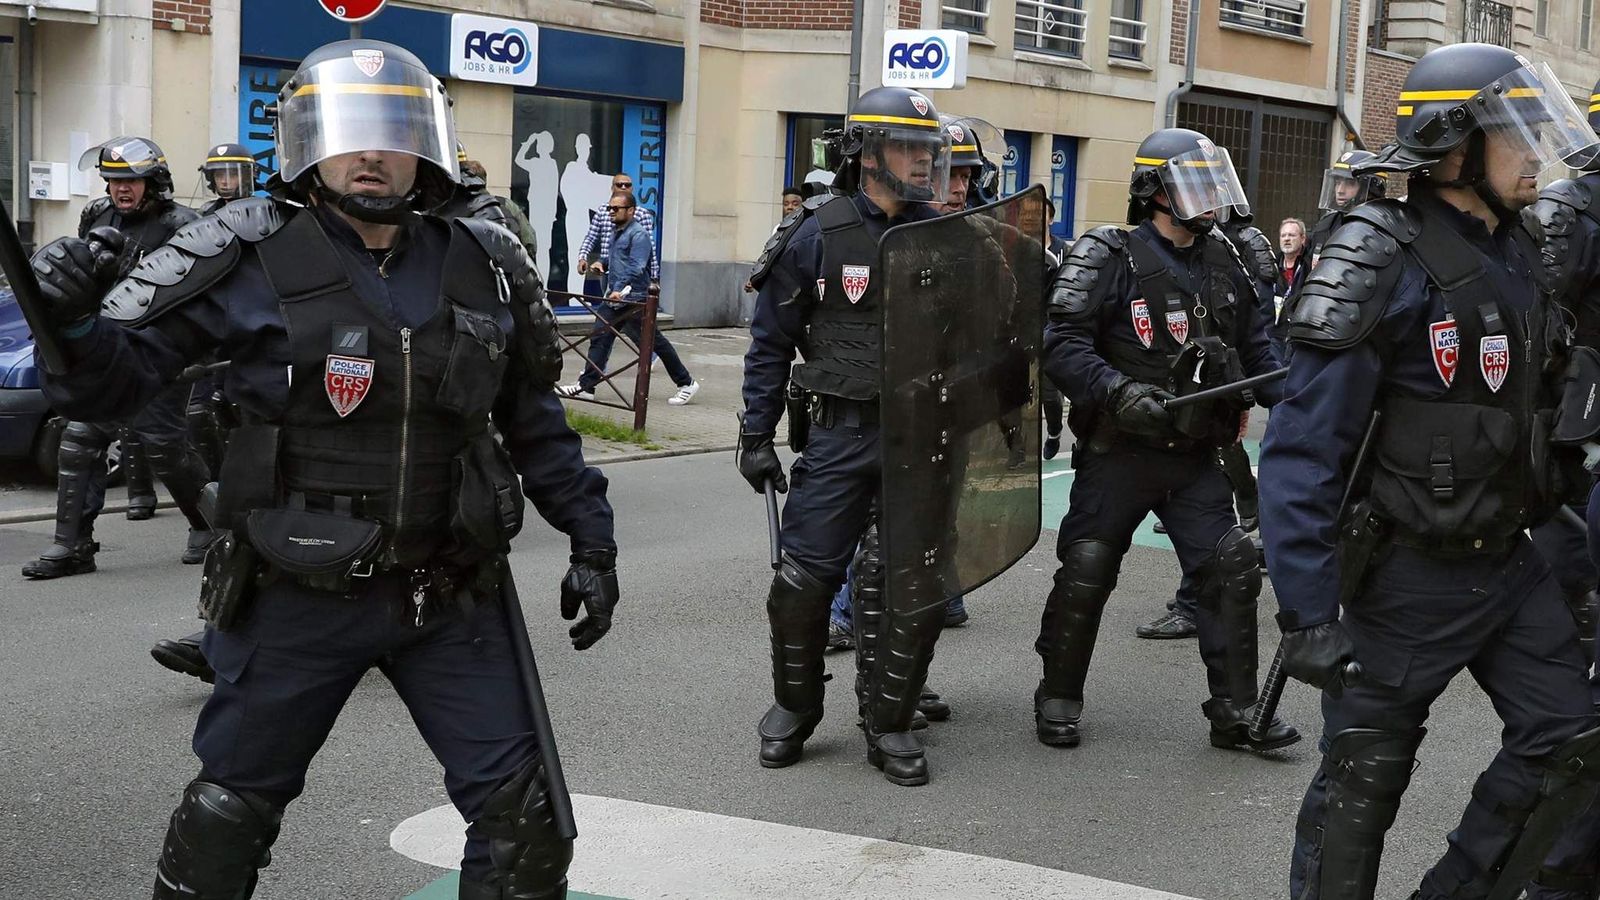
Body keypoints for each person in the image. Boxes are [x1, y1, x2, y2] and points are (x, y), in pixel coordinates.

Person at [29, 40, 619, 899]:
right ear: (306, 141)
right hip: (292, 590)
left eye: (392, 133)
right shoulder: (243, 249)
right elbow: (110, 383)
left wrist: (592, 540)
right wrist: (71, 320)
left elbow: (534, 421)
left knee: (526, 826)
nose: (371, 154)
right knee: (229, 817)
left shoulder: (484, 260)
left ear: (426, 147)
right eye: (349, 133)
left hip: (450, 593)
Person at [1260, 43, 1600, 899]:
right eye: (1515, 132)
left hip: (1509, 563)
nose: (1537, 153)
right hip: (1406, 576)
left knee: (1570, 744)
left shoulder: (1521, 250)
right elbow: (1303, 447)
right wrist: (1306, 612)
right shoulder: (1382, 251)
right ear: (1454, 146)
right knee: (1358, 795)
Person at [1038, 127, 1297, 752]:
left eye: (1215, 183)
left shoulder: (1227, 259)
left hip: (1197, 457)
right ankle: (1058, 696)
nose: (1211, 198)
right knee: (1087, 567)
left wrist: (1299, 392)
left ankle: (1237, 711)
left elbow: (1260, 348)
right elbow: (1061, 344)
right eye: (1196, 184)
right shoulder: (1109, 253)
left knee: (1232, 567)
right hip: (1120, 452)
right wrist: (1119, 392)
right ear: (1155, 190)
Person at [738, 85, 955, 786]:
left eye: (928, 149)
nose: (922, 162)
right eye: (907, 147)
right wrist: (756, 434)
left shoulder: (952, 235)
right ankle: (794, 708)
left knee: (909, 587)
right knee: (800, 585)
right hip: (839, 437)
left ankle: (889, 724)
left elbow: (993, 337)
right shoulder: (816, 232)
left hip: (921, 442)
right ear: (864, 153)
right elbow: (770, 342)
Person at [22, 136, 212, 579]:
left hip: (159, 352)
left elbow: (201, 293)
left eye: (132, 180)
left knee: (165, 449)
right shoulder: (97, 214)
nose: (121, 189)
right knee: (79, 440)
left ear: (154, 181)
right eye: (113, 180)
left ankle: (210, 526)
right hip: (107, 347)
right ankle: (72, 547)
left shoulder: (185, 224)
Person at [557, 191, 700, 406]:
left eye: (616, 209)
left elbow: (636, 267)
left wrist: (619, 288)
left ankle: (686, 383)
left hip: (633, 300)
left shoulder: (639, 235)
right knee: (599, 338)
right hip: (614, 300)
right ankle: (586, 386)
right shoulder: (617, 232)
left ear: (631, 210)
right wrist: (602, 264)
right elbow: (616, 259)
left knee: (654, 343)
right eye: (610, 208)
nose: (611, 212)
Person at [1304, 149, 1388, 262]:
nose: (1340, 190)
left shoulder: (1382, 230)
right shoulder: (1326, 224)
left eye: (1350, 183)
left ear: (1370, 189)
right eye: (1338, 182)